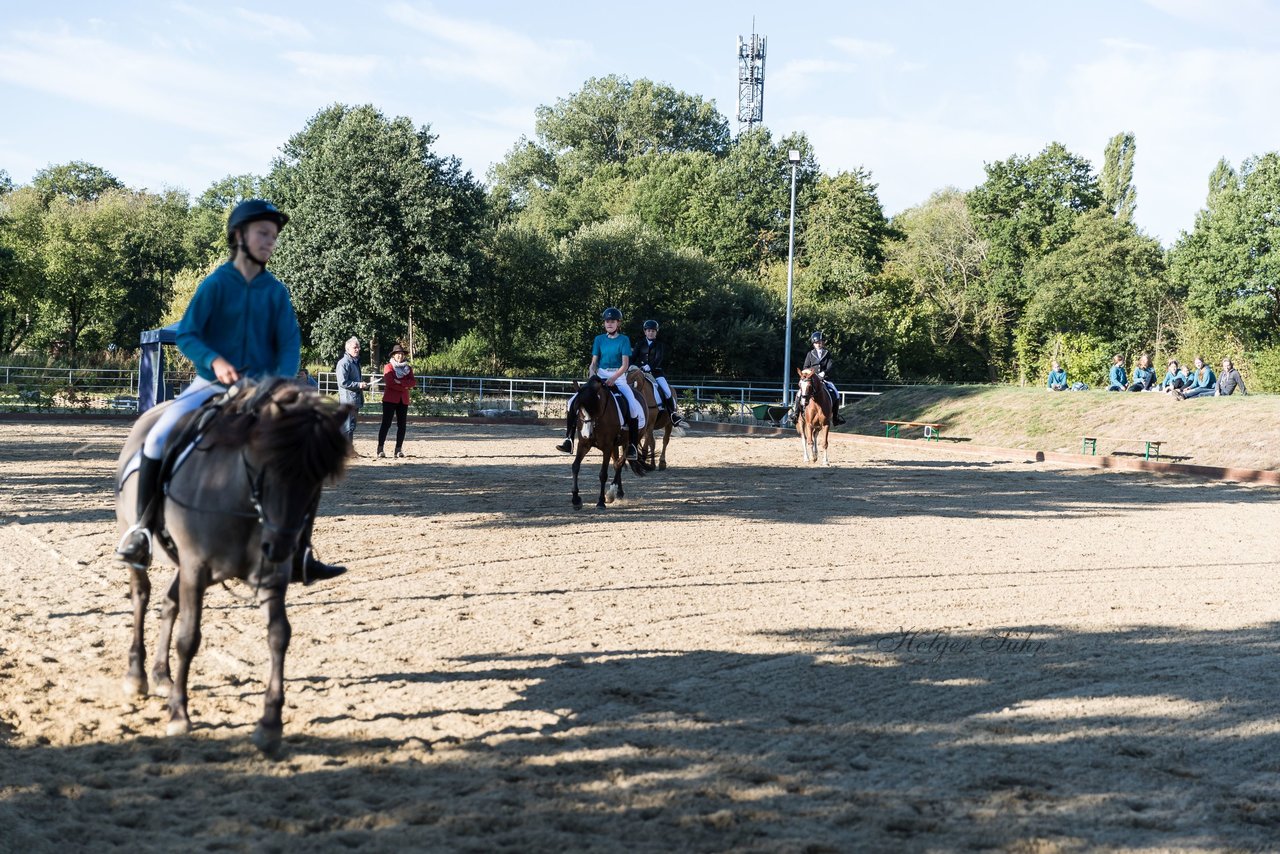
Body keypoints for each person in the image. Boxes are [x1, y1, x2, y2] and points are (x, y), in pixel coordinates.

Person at [115, 199, 344, 582]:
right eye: (263, 233)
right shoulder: (216, 284)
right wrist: (216, 362)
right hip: (210, 384)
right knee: (158, 435)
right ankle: (139, 530)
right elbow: (188, 333)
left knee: (306, 454)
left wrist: (279, 384)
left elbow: (289, 344)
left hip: (264, 390)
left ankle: (301, 550)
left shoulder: (276, 292)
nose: (270, 241)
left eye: (273, 235)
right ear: (239, 236)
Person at [554, 307, 644, 459]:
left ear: (618, 323)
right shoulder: (599, 339)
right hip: (600, 375)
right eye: (607, 321)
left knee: (633, 408)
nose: (609, 324)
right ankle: (569, 439)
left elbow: (625, 365)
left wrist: (613, 378)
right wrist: (592, 374)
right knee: (571, 403)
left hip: (619, 377)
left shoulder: (624, 340)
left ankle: (632, 446)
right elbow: (594, 362)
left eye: (612, 321)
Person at [633, 319, 686, 427]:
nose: (650, 332)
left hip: (656, 373)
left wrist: (650, 366)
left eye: (653, 331)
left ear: (656, 332)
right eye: (648, 331)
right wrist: (629, 366)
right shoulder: (640, 344)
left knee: (667, 391)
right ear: (645, 332)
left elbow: (658, 358)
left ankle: (673, 414)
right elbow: (633, 357)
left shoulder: (659, 345)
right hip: (641, 373)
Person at [791, 331, 846, 425]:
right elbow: (805, 367)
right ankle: (795, 414)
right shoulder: (810, 354)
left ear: (823, 343)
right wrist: (811, 374)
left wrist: (824, 372)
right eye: (816, 343)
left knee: (836, 393)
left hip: (824, 378)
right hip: (811, 379)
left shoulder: (827, 353)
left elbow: (830, 365)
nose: (818, 344)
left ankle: (835, 417)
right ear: (813, 344)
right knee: (799, 393)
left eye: (820, 342)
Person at [377, 343, 414, 458]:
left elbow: (413, 382)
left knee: (402, 425)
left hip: (403, 400)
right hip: (390, 399)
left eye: (401, 354)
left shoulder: (408, 368)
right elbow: (390, 383)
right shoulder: (388, 367)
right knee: (386, 424)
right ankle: (380, 448)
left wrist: (401, 383)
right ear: (393, 355)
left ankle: (398, 449)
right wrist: (405, 386)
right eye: (397, 354)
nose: (400, 356)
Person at [336, 337, 370, 448]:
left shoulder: (355, 362)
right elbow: (342, 382)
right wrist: (359, 385)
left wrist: (361, 385)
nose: (357, 349)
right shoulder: (344, 363)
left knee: (351, 425)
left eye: (358, 347)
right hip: (348, 400)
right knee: (347, 426)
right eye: (355, 347)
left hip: (355, 399)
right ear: (348, 349)